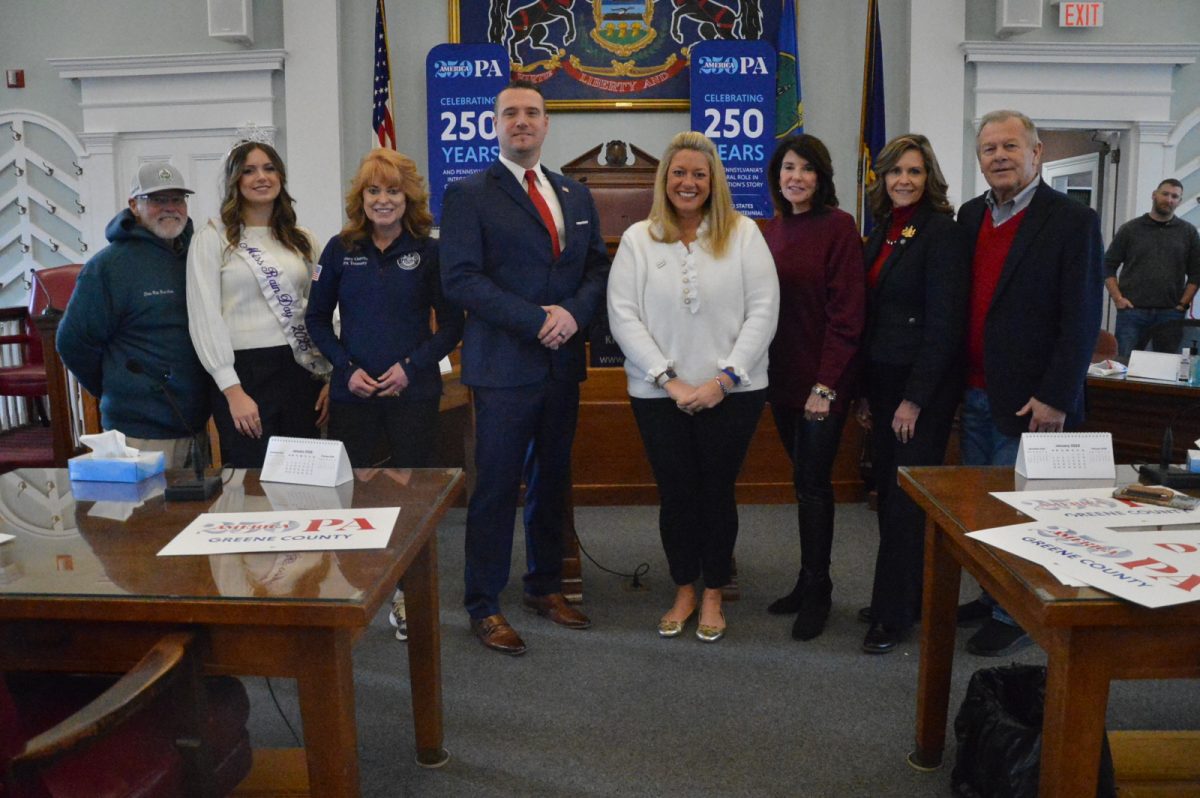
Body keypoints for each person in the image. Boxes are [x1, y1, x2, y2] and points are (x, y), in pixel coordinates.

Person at [439, 80, 610, 656]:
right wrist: (536, 320)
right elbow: (461, 279)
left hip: (562, 364)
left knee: (551, 479)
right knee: (494, 488)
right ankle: (483, 604)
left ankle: (544, 586)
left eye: (532, 112)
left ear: (546, 124)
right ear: (494, 125)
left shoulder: (575, 194)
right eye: (510, 112)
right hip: (503, 367)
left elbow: (596, 269)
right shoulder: (468, 194)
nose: (521, 121)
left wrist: (573, 314)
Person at [607, 131, 779, 644]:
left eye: (699, 174)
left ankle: (714, 593)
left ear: (713, 181)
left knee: (717, 492)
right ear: (665, 179)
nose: (688, 182)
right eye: (679, 173)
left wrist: (724, 380)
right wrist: (670, 380)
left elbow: (764, 311)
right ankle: (684, 587)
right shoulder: (639, 238)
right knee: (677, 493)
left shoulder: (744, 233)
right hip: (659, 395)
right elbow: (623, 315)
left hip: (735, 392)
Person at [956, 110, 1103, 656]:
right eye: (989, 148)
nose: (999, 156)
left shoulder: (1072, 220)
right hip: (974, 391)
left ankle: (1013, 612)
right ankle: (991, 592)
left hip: (1032, 401)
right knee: (982, 507)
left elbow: (1081, 317)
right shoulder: (971, 215)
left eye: (1010, 146)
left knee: (1022, 510)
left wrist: (1057, 396)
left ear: (1036, 153)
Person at [307, 148, 464, 642]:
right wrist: (346, 369)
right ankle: (357, 588)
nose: (383, 200)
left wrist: (410, 368)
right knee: (353, 497)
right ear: (361, 197)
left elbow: (452, 325)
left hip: (412, 395)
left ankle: (405, 593)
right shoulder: (339, 249)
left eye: (393, 191)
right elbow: (316, 320)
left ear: (408, 196)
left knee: (410, 498)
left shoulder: (430, 251)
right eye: (373, 190)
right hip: (352, 395)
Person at [856, 134, 968, 654]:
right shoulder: (883, 230)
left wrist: (914, 398)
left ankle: (894, 615)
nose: (904, 180)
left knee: (904, 502)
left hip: (920, 389)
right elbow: (874, 315)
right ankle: (901, 596)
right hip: (883, 382)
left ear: (930, 179)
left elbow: (945, 324)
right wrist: (865, 393)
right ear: (882, 178)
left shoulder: (942, 232)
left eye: (915, 171)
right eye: (896, 171)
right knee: (887, 492)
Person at [762, 134, 865, 641]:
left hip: (824, 383)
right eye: (788, 168)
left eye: (806, 168)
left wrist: (825, 386)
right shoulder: (771, 230)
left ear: (821, 177)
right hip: (780, 380)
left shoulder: (839, 227)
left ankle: (819, 588)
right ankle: (806, 581)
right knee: (802, 483)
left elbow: (848, 315)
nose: (796, 177)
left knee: (815, 484)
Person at [186, 141, 330, 467]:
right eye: (249, 171)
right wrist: (231, 390)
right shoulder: (212, 238)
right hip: (244, 376)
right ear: (234, 181)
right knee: (251, 478)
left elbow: (322, 309)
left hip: (300, 371)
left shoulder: (303, 240)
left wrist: (330, 377)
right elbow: (204, 316)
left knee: (303, 475)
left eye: (269, 168)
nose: (261, 177)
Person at [58, 162, 210, 468]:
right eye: (157, 200)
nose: (170, 208)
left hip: (197, 426)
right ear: (133, 205)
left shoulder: (198, 256)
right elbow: (72, 343)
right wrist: (118, 386)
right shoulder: (107, 267)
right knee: (148, 502)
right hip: (138, 433)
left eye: (177, 199)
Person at [1104, 178, 1200, 358]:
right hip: (1132, 312)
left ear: (1179, 201)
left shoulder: (1188, 232)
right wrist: (1118, 299)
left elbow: (1196, 273)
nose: (1169, 199)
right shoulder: (1130, 229)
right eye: (1165, 194)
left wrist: (1183, 304)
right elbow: (1108, 265)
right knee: (1125, 364)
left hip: (1171, 313)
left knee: (1166, 366)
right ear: (1154, 195)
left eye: (1174, 196)